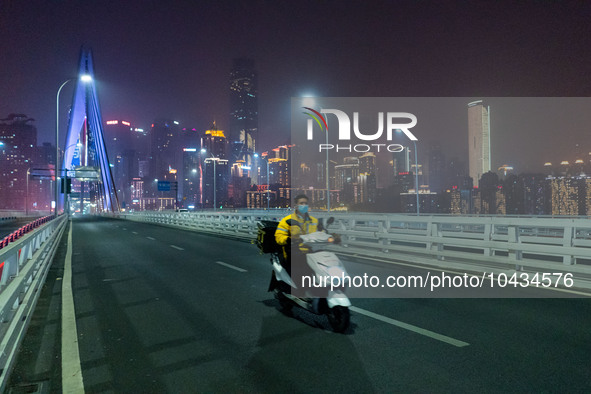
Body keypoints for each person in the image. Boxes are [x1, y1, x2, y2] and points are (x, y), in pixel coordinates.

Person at [275, 194, 318, 278]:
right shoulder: (287, 220)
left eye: (305, 203)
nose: (304, 205)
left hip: (311, 251)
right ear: (296, 206)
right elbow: (279, 236)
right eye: (301, 203)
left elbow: (322, 232)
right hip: (294, 251)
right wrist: (288, 239)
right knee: (301, 275)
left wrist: (333, 237)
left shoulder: (314, 220)